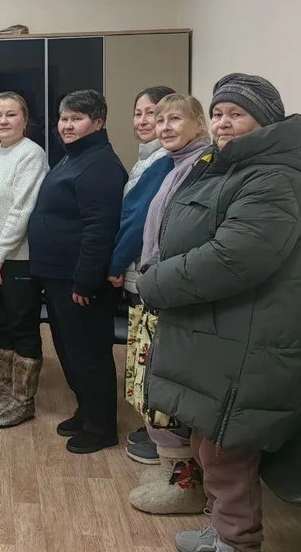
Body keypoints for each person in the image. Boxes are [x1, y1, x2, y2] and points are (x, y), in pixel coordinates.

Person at [140, 74, 301, 552]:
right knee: (209, 444)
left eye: (236, 114)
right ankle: (223, 530)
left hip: (249, 342)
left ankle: (237, 542)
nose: (223, 122)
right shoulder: (232, 168)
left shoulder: (274, 180)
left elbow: (230, 259)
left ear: (265, 122)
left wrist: (154, 282)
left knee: (226, 451)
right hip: (223, 333)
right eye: (218, 112)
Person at [122, 94, 210, 514]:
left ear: (199, 124)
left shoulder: (203, 168)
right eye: (161, 120)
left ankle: (186, 484)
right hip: (156, 289)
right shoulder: (176, 165)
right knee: (152, 386)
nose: (164, 127)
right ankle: (170, 470)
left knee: (169, 391)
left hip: (174, 295)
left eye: (175, 119)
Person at [27, 89, 126, 454]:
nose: (66, 125)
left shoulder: (101, 166)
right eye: (63, 118)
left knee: (89, 354)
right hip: (58, 276)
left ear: (98, 122)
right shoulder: (74, 158)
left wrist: (85, 281)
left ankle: (101, 428)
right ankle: (86, 412)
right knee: (70, 351)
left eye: (76, 119)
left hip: (79, 281)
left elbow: (100, 230)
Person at [107, 85, 175, 462]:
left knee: (154, 358)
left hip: (148, 274)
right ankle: (152, 429)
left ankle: (163, 440)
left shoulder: (164, 161)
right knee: (144, 354)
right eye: (140, 113)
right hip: (140, 273)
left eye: (156, 113)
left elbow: (136, 222)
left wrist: (116, 265)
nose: (146, 121)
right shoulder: (147, 158)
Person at [0, 92, 48, 428]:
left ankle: (23, 400)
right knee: (0, 323)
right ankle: (5, 391)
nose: (3, 121)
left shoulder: (32, 154)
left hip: (17, 258)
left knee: (22, 325)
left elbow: (22, 210)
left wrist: (0, 255)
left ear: (25, 118)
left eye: (10, 114)